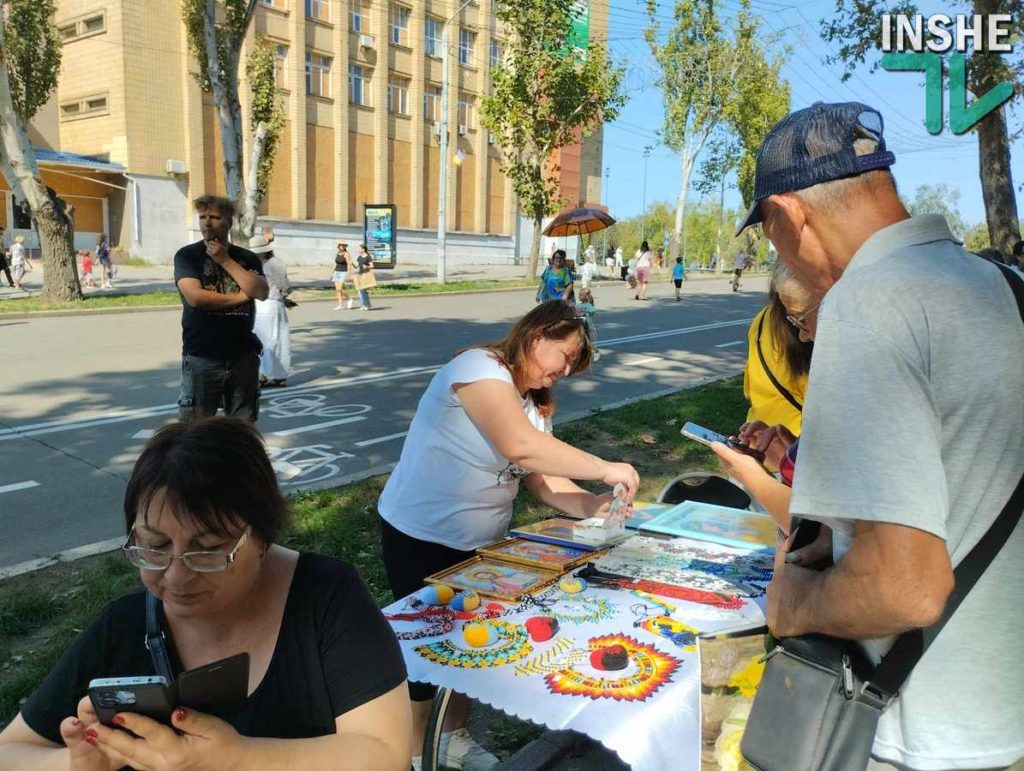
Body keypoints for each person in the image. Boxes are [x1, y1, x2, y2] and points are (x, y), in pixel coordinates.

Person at [736, 101, 1024, 769]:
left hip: (914, 733)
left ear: (787, 216)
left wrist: (794, 604)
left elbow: (908, 587)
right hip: (1005, 714)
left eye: (772, 238)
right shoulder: (1006, 286)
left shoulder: (866, 304)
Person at [0, 418, 413, 770]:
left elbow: (384, 752)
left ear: (262, 537)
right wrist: (77, 761)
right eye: (155, 547)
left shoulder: (325, 597)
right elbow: (11, 750)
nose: (177, 577)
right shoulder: (123, 625)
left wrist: (239, 757)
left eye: (210, 550)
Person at [378, 301, 639, 769]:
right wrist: (606, 468)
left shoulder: (535, 404)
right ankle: (416, 751)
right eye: (566, 354)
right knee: (429, 651)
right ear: (537, 337)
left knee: (471, 641)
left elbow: (541, 479)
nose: (565, 370)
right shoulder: (477, 368)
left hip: (478, 544)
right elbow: (518, 446)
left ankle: (453, 737)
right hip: (420, 534)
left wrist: (597, 506)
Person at [712, 264, 825, 538]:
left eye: (802, 320)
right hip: (786, 457)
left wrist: (752, 473)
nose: (802, 334)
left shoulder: (761, 322)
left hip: (779, 462)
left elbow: (810, 532)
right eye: (796, 321)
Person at [173, 195, 269, 423]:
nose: (207, 223)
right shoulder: (187, 256)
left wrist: (225, 260)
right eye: (203, 217)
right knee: (195, 429)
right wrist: (241, 296)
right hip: (202, 356)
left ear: (229, 222)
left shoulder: (246, 258)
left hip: (242, 356)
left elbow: (262, 292)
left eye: (215, 217)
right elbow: (196, 298)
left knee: (242, 427)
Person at [740, 264, 815, 436]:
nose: (804, 335)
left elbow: (748, 388)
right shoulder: (815, 328)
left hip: (759, 438)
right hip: (799, 445)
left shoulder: (760, 321)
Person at [253, 245, 291, 388]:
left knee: (271, 340)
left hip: (270, 302)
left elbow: (284, 285)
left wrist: (283, 295)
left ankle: (272, 374)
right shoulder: (268, 263)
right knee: (269, 339)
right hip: (266, 303)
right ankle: (268, 373)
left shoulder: (273, 264)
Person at [575, 287, 599, 361]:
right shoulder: (582, 305)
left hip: (581, 323)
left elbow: (592, 311)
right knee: (584, 338)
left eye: (581, 295)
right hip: (582, 323)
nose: (580, 296)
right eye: (580, 295)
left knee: (585, 338)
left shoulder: (583, 305)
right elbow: (593, 311)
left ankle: (591, 352)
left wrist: (584, 313)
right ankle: (589, 353)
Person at [332, 241, 354, 310]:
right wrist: (332, 272)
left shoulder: (347, 254)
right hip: (336, 272)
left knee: (340, 289)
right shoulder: (338, 253)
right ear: (338, 246)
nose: (342, 246)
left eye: (343, 245)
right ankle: (340, 305)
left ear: (345, 247)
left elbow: (349, 264)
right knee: (337, 290)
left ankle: (349, 298)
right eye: (340, 245)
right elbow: (335, 263)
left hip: (343, 272)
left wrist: (349, 274)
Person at [354, 244, 374, 310]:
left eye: (359, 248)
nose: (358, 250)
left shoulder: (368, 257)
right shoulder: (359, 257)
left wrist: (367, 266)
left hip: (366, 274)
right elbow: (356, 266)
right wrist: (352, 263)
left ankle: (365, 305)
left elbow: (372, 266)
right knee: (361, 291)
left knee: (362, 290)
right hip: (360, 275)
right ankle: (366, 305)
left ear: (363, 249)